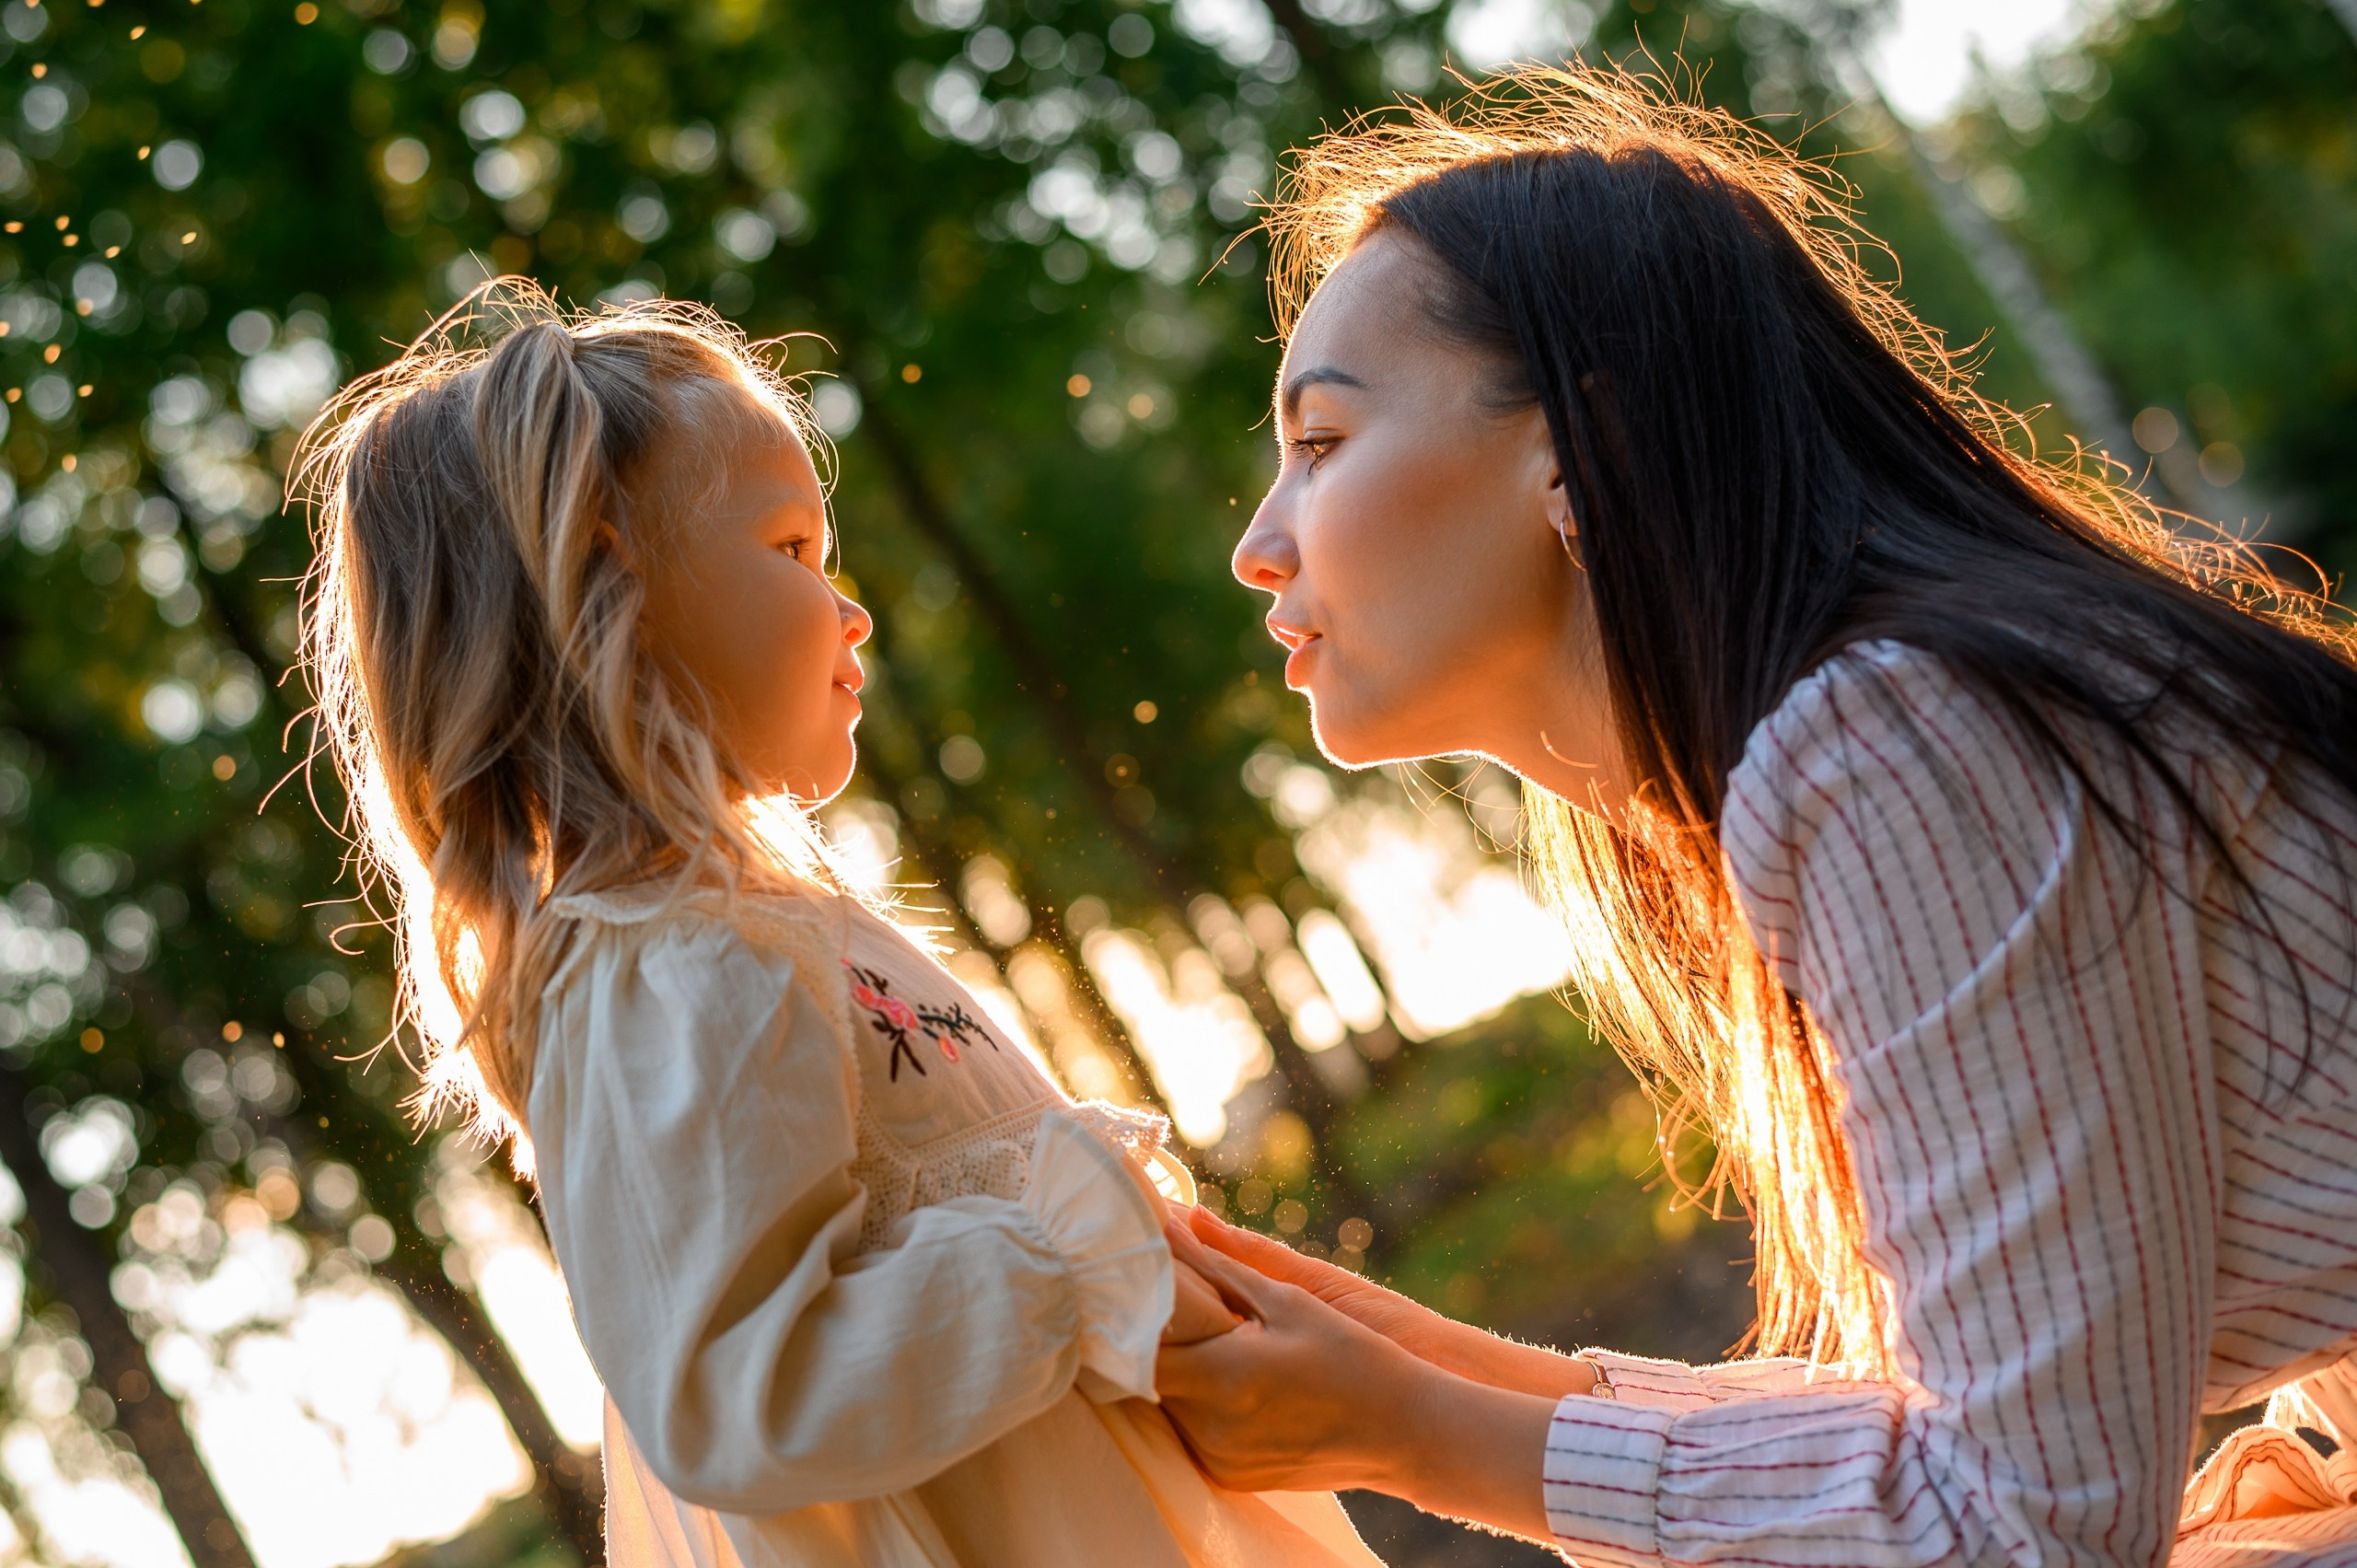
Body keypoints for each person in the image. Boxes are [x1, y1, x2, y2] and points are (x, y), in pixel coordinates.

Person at [1160, 69, 2357, 1567]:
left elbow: (2029, 1528)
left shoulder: (1908, 742)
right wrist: (1437, 1372)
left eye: (1322, 442)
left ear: (1580, 450)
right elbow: (1979, 1427)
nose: (1258, 546)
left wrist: (1415, 1433)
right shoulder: (1879, 736)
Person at [294, 282, 1384, 1568]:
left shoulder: (757, 928)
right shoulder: (670, 962)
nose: (853, 609)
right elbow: (737, 1393)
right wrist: (1073, 1257)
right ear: (609, 588)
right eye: (796, 552)